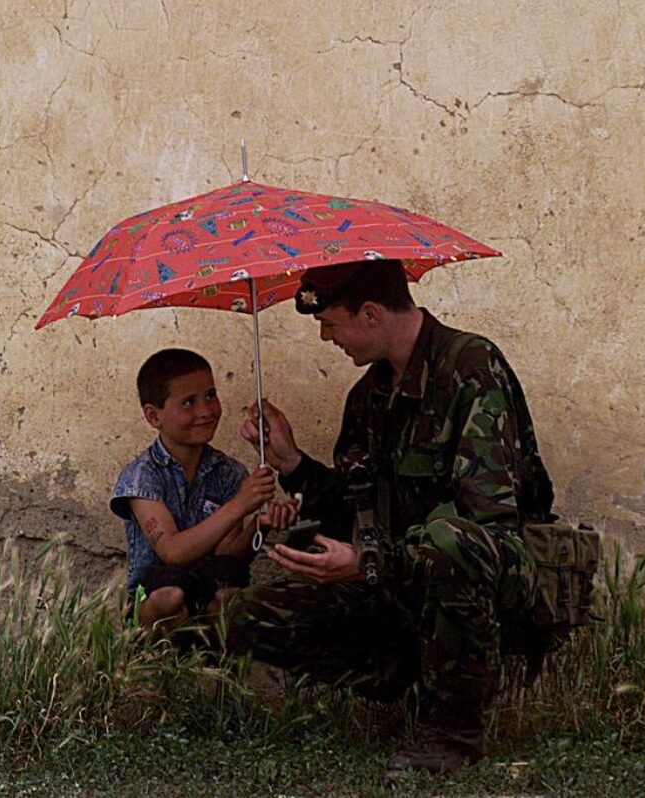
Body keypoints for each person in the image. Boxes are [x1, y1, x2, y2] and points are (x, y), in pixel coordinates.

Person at [225, 259, 554, 779]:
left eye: (329, 323)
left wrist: (370, 563)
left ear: (371, 314)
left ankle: (453, 731)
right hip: (398, 582)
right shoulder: (367, 398)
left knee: (450, 542)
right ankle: (419, 679)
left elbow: (486, 529)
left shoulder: (471, 368)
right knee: (251, 615)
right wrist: (292, 463)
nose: (326, 338)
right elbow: (352, 508)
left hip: (489, 580)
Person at [111, 348, 295, 634]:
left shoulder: (228, 472)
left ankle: (220, 659)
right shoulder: (142, 476)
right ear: (153, 416)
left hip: (211, 588)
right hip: (158, 596)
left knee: (230, 596)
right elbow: (172, 551)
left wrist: (261, 524)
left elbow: (228, 555)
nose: (206, 411)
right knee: (170, 596)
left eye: (211, 395)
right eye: (189, 403)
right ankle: (162, 657)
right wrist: (240, 505)